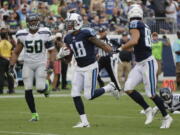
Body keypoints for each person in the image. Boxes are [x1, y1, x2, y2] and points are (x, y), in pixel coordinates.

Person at [57, 13, 120, 128]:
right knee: (75, 93)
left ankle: (110, 87)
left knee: (89, 96)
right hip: (79, 68)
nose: (68, 26)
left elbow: (100, 44)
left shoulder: (86, 33)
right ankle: (84, 122)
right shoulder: (68, 37)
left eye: (70, 23)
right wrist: (63, 55)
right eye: (68, 23)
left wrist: (112, 51)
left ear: (78, 23)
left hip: (91, 67)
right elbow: (69, 59)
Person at [118, 4, 173, 128]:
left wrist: (120, 48)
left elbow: (134, 40)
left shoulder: (134, 24)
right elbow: (138, 44)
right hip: (140, 63)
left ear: (131, 14)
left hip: (148, 63)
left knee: (152, 94)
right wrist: (129, 48)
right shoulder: (144, 25)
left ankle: (166, 117)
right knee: (128, 88)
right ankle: (148, 110)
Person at [10, 13, 56, 121]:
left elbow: (52, 50)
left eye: (35, 20)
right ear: (27, 23)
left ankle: (46, 88)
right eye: (31, 21)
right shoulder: (22, 34)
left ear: (38, 21)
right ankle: (34, 114)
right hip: (28, 64)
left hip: (41, 63)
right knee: (28, 88)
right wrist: (11, 65)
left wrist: (52, 63)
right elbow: (16, 52)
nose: (33, 23)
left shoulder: (45, 32)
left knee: (40, 88)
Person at [97, 26, 121, 91]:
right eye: (100, 32)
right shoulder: (97, 40)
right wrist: (97, 54)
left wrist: (116, 51)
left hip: (109, 58)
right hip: (101, 58)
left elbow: (119, 45)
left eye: (103, 32)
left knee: (112, 75)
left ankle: (117, 88)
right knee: (95, 72)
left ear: (105, 32)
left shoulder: (110, 39)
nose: (102, 33)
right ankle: (101, 82)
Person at [0, 27, 15, 94]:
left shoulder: (0, 43)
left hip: (2, 60)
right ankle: (11, 90)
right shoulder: (9, 43)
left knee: (1, 75)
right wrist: (10, 59)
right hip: (9, 60)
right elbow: (12, 52)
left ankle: (1, 90)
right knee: (10, 75)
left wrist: (4, 57)